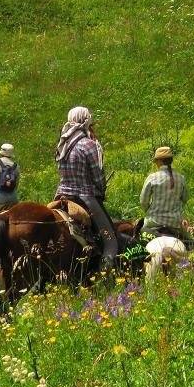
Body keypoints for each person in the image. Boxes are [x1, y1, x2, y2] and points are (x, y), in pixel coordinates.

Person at [54, 106, 117, 272]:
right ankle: (106, 273)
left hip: (62, 194)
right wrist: (101, 191)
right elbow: (98, 176)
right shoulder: (89, 144)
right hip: (85, 197)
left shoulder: (62, 144)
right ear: (86, 121)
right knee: (110, 241)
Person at [139, 146, 188, 239]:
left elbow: (143, 201)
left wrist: (150, 211)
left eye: (156, 161)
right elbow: (185, 199)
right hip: (175, 223)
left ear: (160, 161)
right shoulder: (181, 178)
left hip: (153, 221)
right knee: (190, 241)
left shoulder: (152, 177)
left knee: (140, 234)